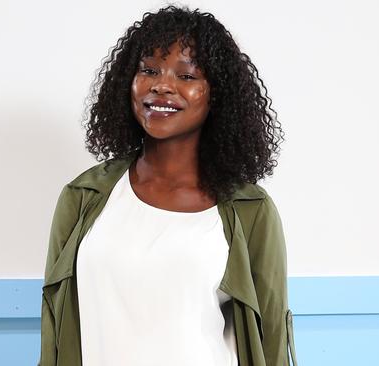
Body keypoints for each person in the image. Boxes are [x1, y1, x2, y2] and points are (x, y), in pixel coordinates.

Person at [39, 5, 298, 366]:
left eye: (187, 76)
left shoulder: (249, 211)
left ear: (216, 94)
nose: (162, 85)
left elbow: (270, 339)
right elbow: (54, 332)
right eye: (148, 70)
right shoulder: (85, 197)